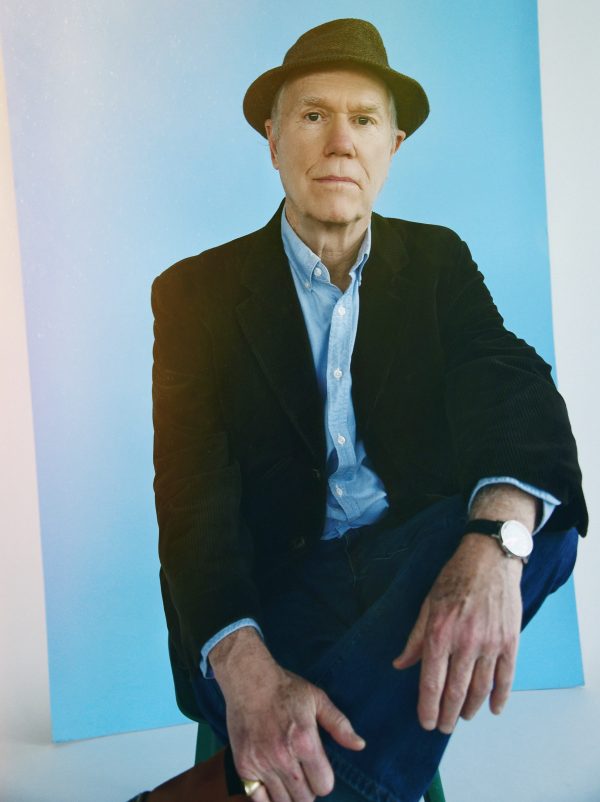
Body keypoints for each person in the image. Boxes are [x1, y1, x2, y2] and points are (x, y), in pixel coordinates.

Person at [150, 18, 587, 802]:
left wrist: (491, 546)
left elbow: (507, 379)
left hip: (399, 569)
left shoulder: (437, 260)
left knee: (537, 525)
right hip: (275, 584)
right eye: (314, 115)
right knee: (282, 656)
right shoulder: (194, 293)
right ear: (273, 139)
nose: (340, 143)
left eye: (363, 120)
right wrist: (245, 668)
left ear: (393, 145)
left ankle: (237, 790)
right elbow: (192, 497)